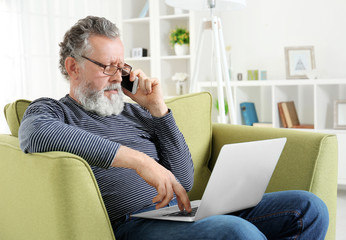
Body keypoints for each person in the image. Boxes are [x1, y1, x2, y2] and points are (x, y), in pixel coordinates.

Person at [19, 16, 329, 240]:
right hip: (133, 226)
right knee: (237, 232)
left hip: (179, 212)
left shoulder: (137, 113)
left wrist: (157, 109)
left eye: (121, 66)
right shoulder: (52, 111)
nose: (117, 76)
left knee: (309, 207)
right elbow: (35, 133)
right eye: (107, 67)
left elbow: (183, 179)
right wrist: (139, 161)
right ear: (73, 67)